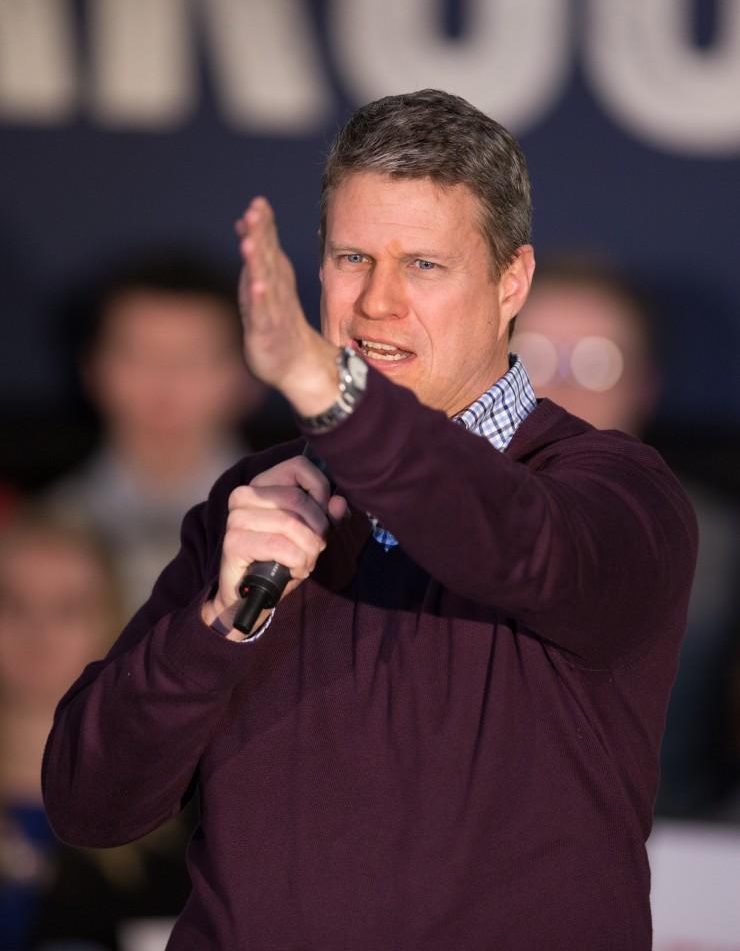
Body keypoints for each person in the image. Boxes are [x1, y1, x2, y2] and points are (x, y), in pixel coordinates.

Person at [42, 90, 698, 950]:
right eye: (353, 257)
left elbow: (513, 545)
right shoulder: (257, 503)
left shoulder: (613, 494)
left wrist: (334, 399)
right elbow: (91, 803)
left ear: (513, 282)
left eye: (424, 265)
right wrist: (217, 627)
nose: (377, 302)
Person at [511, 258, 740, 819]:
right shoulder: (410, 522)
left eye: (597, 363)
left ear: (644, 386)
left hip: (669, 856)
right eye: (534, 357)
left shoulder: (718, 547)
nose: (561, 386)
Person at [0, 512, 192, 950]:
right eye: (12, 605)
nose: (37, 633)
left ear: (113, 623)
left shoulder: (177, 822)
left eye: (68, 609)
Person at [46, 255, 265, 615]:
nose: (165, 386)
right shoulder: (40, 531)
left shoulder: (305, 527)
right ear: (91, 369)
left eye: (193, 360)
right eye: (138, 356)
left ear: (251, 375)